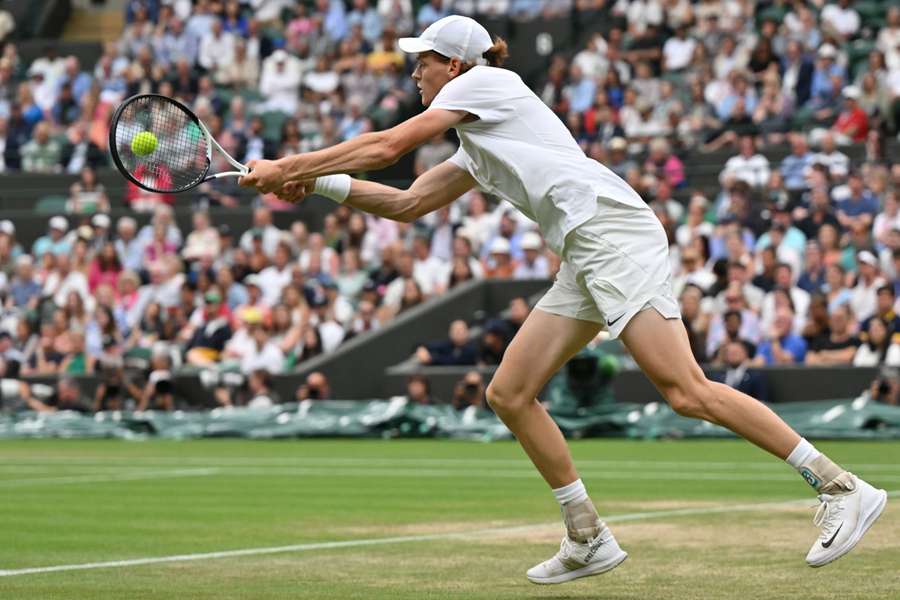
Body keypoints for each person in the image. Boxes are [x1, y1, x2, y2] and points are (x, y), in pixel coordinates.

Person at [239, 15, 886, 583]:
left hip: (611, 234)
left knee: (685, 391)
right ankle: (587, 536)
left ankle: (839, 486)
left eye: (425, 60)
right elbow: (408, 202)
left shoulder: (484, 85)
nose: (415, 70)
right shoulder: (480, 135)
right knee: (509, 393)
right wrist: (318, 184)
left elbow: (388, 148)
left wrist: (288, 165)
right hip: (585, 249)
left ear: (457, 66)